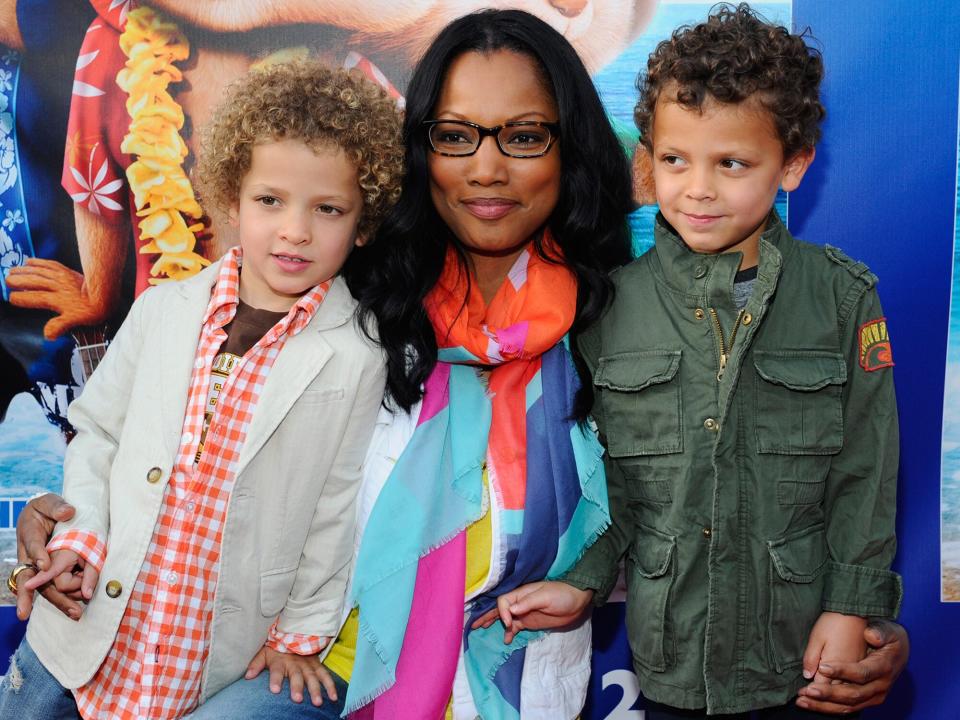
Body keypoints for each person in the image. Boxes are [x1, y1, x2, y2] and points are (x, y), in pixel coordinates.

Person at [12, 8, 911, 720]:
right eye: (454, 135)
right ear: (416, 152)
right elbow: (184, 436)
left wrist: (861, 620)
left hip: (513, 686)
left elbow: (697, 502)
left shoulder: (612, 317)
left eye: (523, 135)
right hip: (301, 669)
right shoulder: (338, 306)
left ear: (572, 152)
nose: (487, 167)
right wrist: (75, 509)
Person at [484, 4, 904, 718]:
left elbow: (866, 473)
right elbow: (612, 488)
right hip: (670, 657)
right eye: (675, 159)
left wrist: (851, 606)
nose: (698, 188)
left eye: (732, 163)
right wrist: (582, 582)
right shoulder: (609, 309)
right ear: (647, 163)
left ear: (793, 164)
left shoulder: (841, 297)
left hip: (802, 653)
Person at [0, 60, 403, 719]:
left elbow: (334, 507)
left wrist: (302, 634)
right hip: (89, 622)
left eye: (327, 209)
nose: (295, 230)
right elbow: (98, 432)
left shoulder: (355, 354)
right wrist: (85, 537)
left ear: (363, 223)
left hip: (209, 643)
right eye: (270, 200)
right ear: (232, 195)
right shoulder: (164, 309)